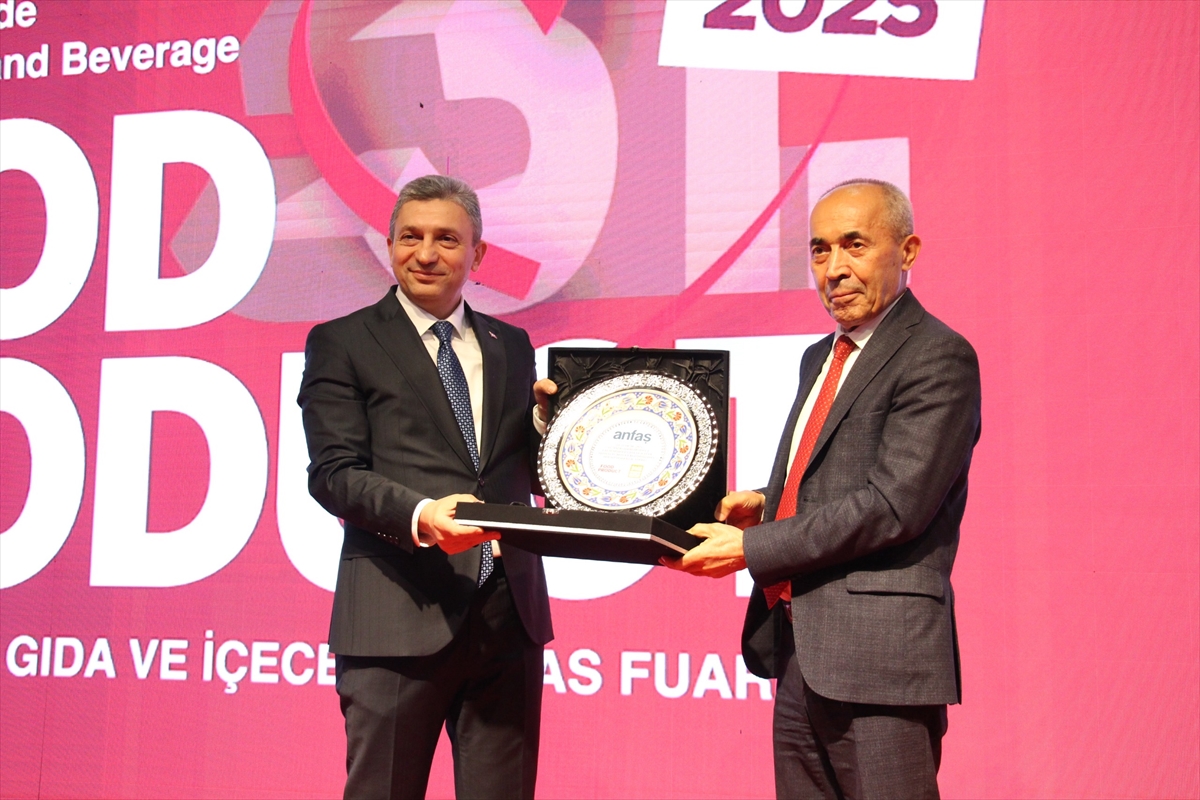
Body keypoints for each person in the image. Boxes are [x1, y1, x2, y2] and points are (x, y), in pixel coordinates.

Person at [667, 179, 981, 798]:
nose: (833, 269)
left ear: (908, 251)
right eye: (819, 249)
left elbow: (893, 506)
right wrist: (767, 502)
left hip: (880, 661)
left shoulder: (938, 356)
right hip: (799, 648)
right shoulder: (820, 356)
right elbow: (833, 476)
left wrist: (751, 549)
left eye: (854, 245)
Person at [298, 175, 555, 800]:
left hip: (507, 616)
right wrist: (421, 516)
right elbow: (333, 472)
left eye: (447, 239)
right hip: (396, 613)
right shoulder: (343, 341)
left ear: (477, 253)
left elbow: (515, 466)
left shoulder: (511, 344)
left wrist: (557, 431)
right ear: (389, 245)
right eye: (410, 237)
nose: (426, 253)